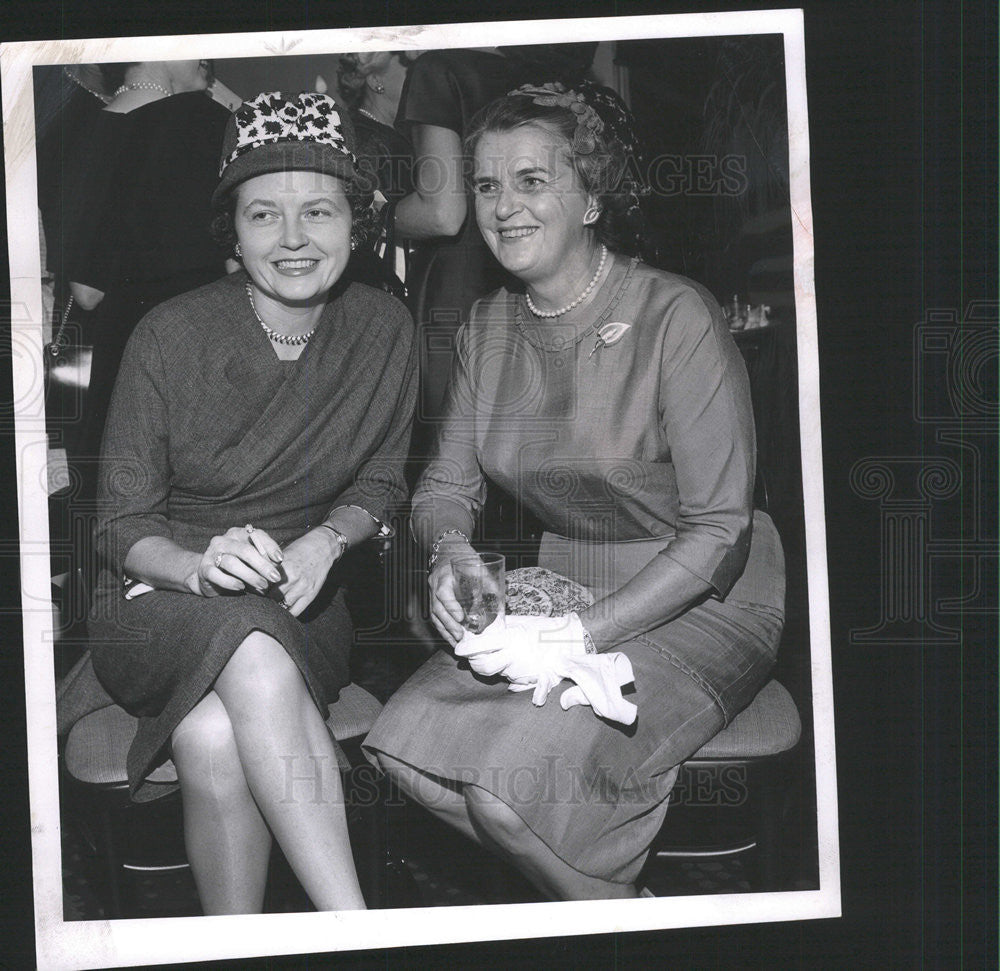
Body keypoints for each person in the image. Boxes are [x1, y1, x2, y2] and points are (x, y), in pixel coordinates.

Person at [363, 82, 785, 900]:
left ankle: (622, 917)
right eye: (485, 185)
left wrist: (577, 635)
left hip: (709, 596)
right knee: (402, 757)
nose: (502, 207)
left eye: (532, 180)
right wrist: (454, 553)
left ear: (592, 197)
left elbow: (719, 532)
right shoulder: (487, 325)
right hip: (564, 580)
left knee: (506, 793)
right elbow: (445, 484)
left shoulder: (676, 315)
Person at [86, 90, 418, 914]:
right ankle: (357, 929)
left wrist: (329, 541)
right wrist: (199, 567)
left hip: (304, 599)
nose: (294, 238)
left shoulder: (386, 329)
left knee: (208, 734)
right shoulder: (166, 333)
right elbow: (120, 525)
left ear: (358, 223)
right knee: (248, 645)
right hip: (156, 597)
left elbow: (382, 482)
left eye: (320, 210)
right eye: (264, 213)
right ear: (232, 231)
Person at [62, 60, 231, 502]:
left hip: (119, 357)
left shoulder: (78, 130)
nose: (208, 63)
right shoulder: (212, 126)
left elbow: (87, 290)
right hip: (204, 358)